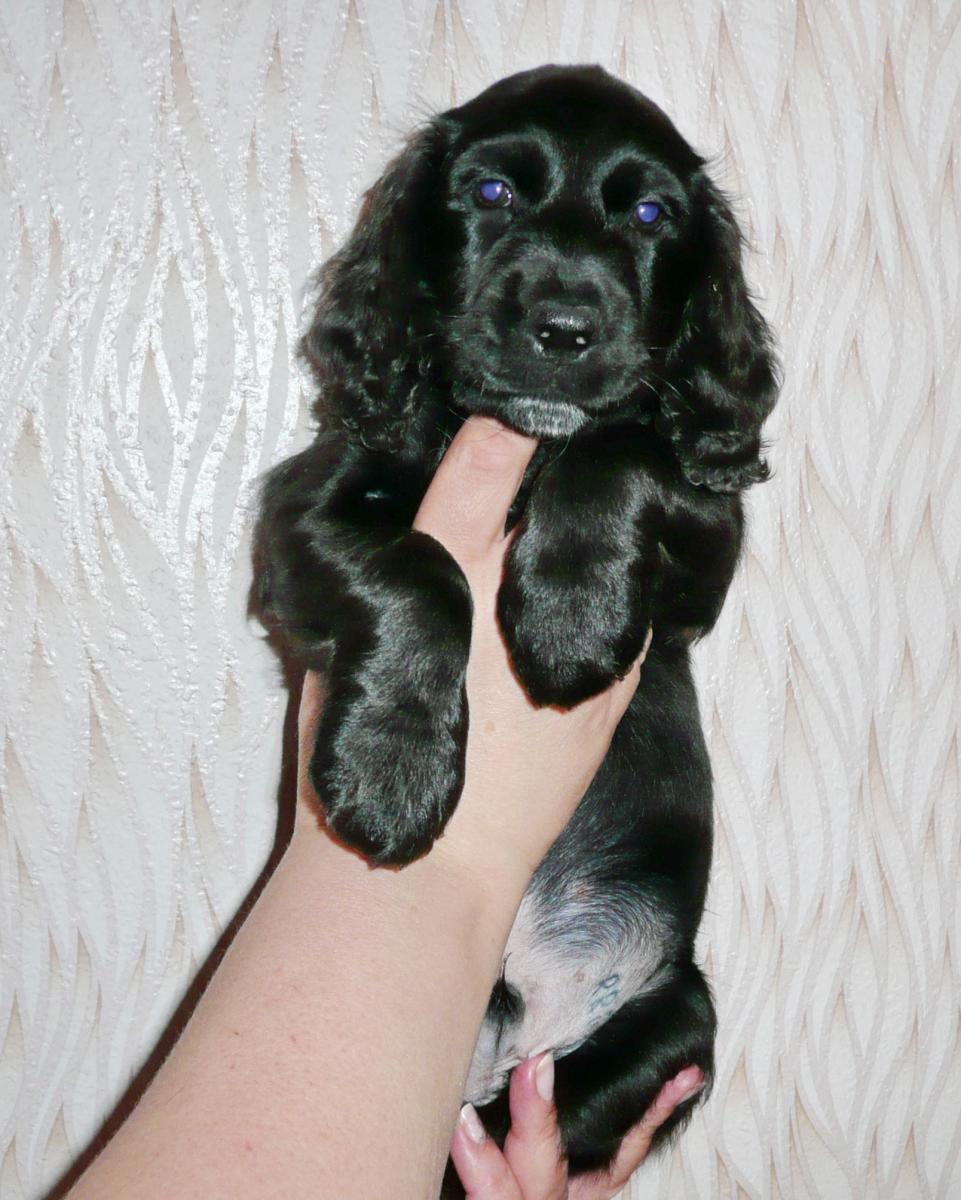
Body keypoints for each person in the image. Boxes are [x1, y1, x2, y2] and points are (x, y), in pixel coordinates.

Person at [67, 417, 702, 1199]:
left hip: (622, 1018)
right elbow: (303, 554)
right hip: (425, 998)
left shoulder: (635, 457)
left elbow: (697, 579)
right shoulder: (377, 451)